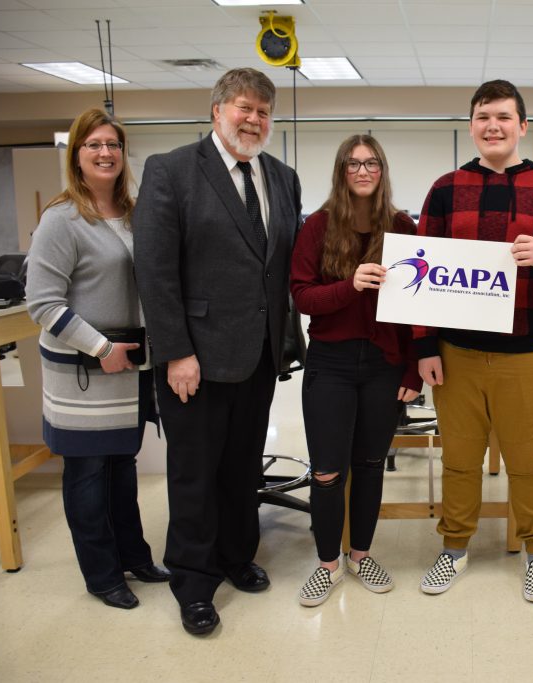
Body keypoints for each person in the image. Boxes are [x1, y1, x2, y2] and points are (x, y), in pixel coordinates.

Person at [133, 68, 302, 635]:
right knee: (194, 474)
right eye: (243, 108)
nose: (253, 119)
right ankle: (194, 579)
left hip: (257, 355)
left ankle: (235, 555)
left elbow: (279, 265)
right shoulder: (172, 171)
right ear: (217, 111)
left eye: (263, 111)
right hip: (195, 361)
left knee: (240, 468)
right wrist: (175, 351)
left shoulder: (282, 177)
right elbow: (154, 272)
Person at [415, 79, 533, 603]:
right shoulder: (445, 189)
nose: (493, 126)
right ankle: (455, 547)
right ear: (471, 125)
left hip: (525, 353)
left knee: (528, 459)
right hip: (456, 354)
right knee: (459, 460)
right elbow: (416, 274)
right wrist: (424, 347)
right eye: (484, 116)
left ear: (522, 126)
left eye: (504, 117)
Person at [26, 107, 170, 610]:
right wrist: (100, 348)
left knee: (121, 469)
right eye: (94, 145)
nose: (106, 153)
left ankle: (134, 556)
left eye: (113, 144)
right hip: (83, 371)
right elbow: (42, 303)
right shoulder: (61, 220)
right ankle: (102, 574)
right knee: (87, 475)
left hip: (128, 369)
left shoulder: (134, 213)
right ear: (77, 156)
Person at [289, 135, 422, 607]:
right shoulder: (318, 227)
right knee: (327, 471)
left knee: (369, 465)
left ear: (382, 171)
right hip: (332, 364)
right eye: (353, 163)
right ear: (341, 171)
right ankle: (327, 565)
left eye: (372, 164)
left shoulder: (403, 225)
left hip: (385, 365)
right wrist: (350, 286)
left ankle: (361, 555)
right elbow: (303, 296)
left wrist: (413, 371)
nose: (363, 171)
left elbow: (417, 308)